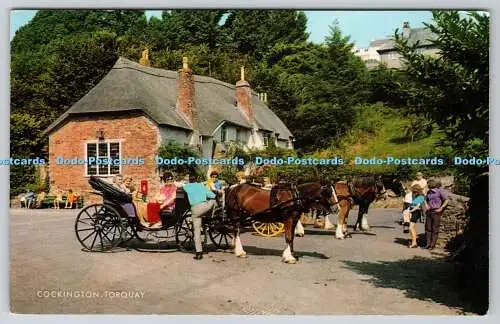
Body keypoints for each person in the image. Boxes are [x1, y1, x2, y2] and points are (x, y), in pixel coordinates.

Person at [183, 174, 216, 260]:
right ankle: (211, 216)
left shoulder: (186, 187)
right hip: (205, 207)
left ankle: (199, 253)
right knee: (213, 200)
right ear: (196, 179)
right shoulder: (201, 186)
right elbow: (212, 195)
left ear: (189, 180)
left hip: (195, 210)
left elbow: (180, 185)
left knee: (196, 231)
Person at [424, 179, 449, 250]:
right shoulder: (429, 192)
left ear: (431, 184)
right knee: (428, 228)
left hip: (436, 211)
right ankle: (427, 244)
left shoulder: (440, 191)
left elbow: (446, 199)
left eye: (428, 184)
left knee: (435, 229)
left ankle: (432, 245)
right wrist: (426, 205)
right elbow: (425, 199)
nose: (427, 185)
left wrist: (441, 208)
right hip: (429, 211)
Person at [405, 184, 425, 248]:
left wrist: (410, 211)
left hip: (415, 212)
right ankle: (414, 242)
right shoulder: (416, 196)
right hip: (412, 211)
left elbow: (417, 206)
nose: (414, 192)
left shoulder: (421, 197)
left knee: (411, 227)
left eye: (415, 191)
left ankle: (414, 242)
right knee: (412, 227)